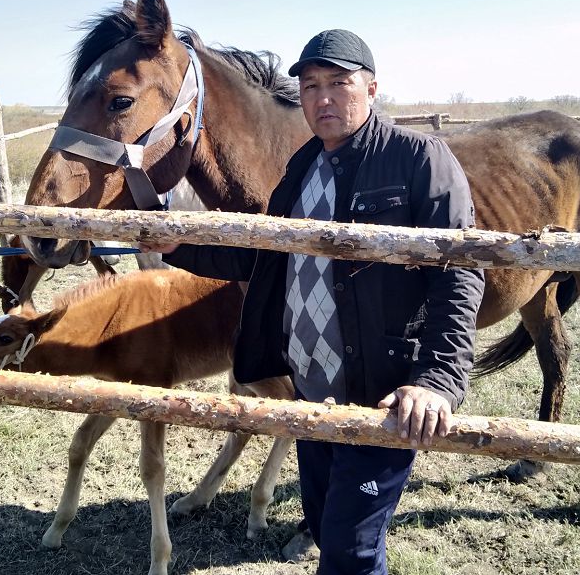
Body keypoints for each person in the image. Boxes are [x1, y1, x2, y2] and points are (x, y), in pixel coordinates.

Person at [141, 29, 485, 574]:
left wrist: (437, 381)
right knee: (326, 523)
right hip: (311, 387)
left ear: (371, 89)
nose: (323, 98)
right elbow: (265, 255)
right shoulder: (303, 167)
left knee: (350, 553)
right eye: (310, 86)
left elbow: (460, 274)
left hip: (379, 397)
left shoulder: (419, 158)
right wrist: (179, 246)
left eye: (338, 83)